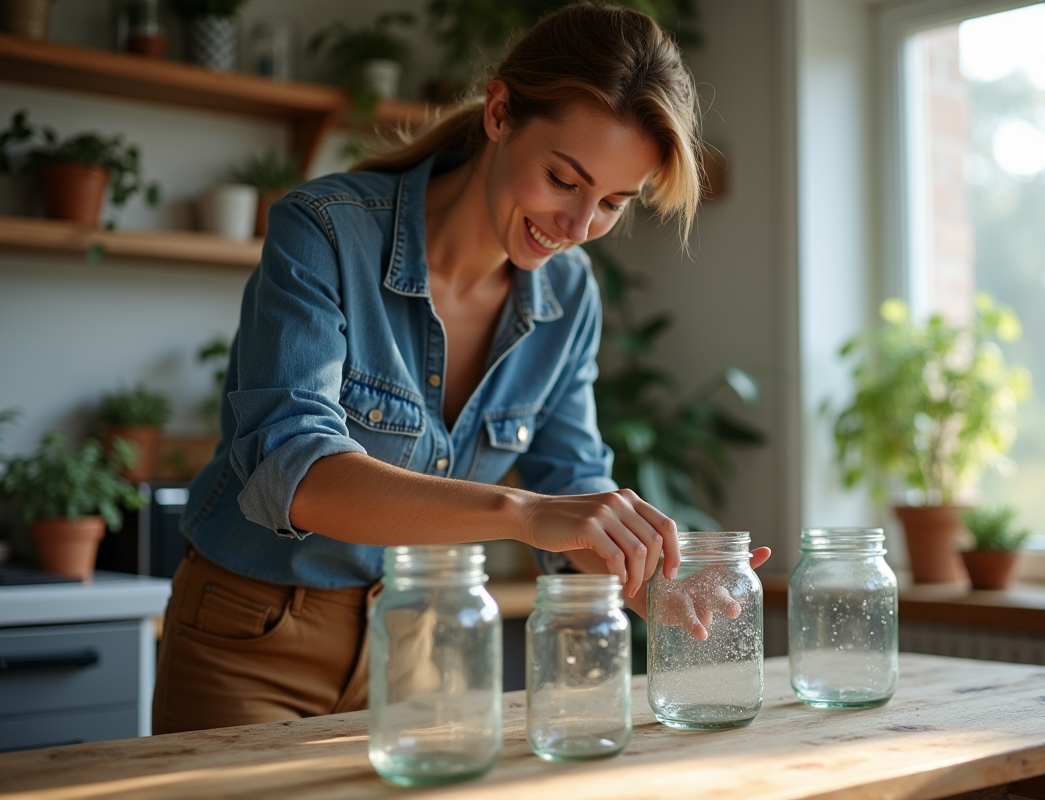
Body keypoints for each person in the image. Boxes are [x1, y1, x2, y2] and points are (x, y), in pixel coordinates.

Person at [152, 1, 769, 735]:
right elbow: (294, 469)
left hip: (427, 643)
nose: (577, 229)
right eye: (563, 179)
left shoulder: (569, 296)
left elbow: (570, 480)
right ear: (501, 112)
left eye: (611, 203)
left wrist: (652, 582)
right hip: (254, 638)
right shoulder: (325, 232)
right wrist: (520, 514)